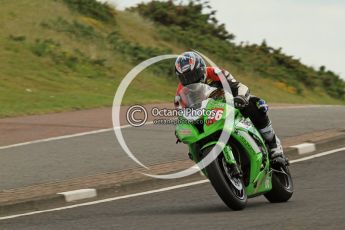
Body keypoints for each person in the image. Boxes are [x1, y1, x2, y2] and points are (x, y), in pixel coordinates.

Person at [174, 51, 288, 166]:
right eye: (185, 78)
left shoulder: (216, 73)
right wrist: (181, 127)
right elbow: (182, 113)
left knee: (255, 104)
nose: (190, 80)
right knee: (192, 144)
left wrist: (241, 97)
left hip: (230, 103)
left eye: (192, 75)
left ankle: (273, 145)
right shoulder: (181, 91)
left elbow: (238, 86)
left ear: (202, 69)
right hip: (208, 115)